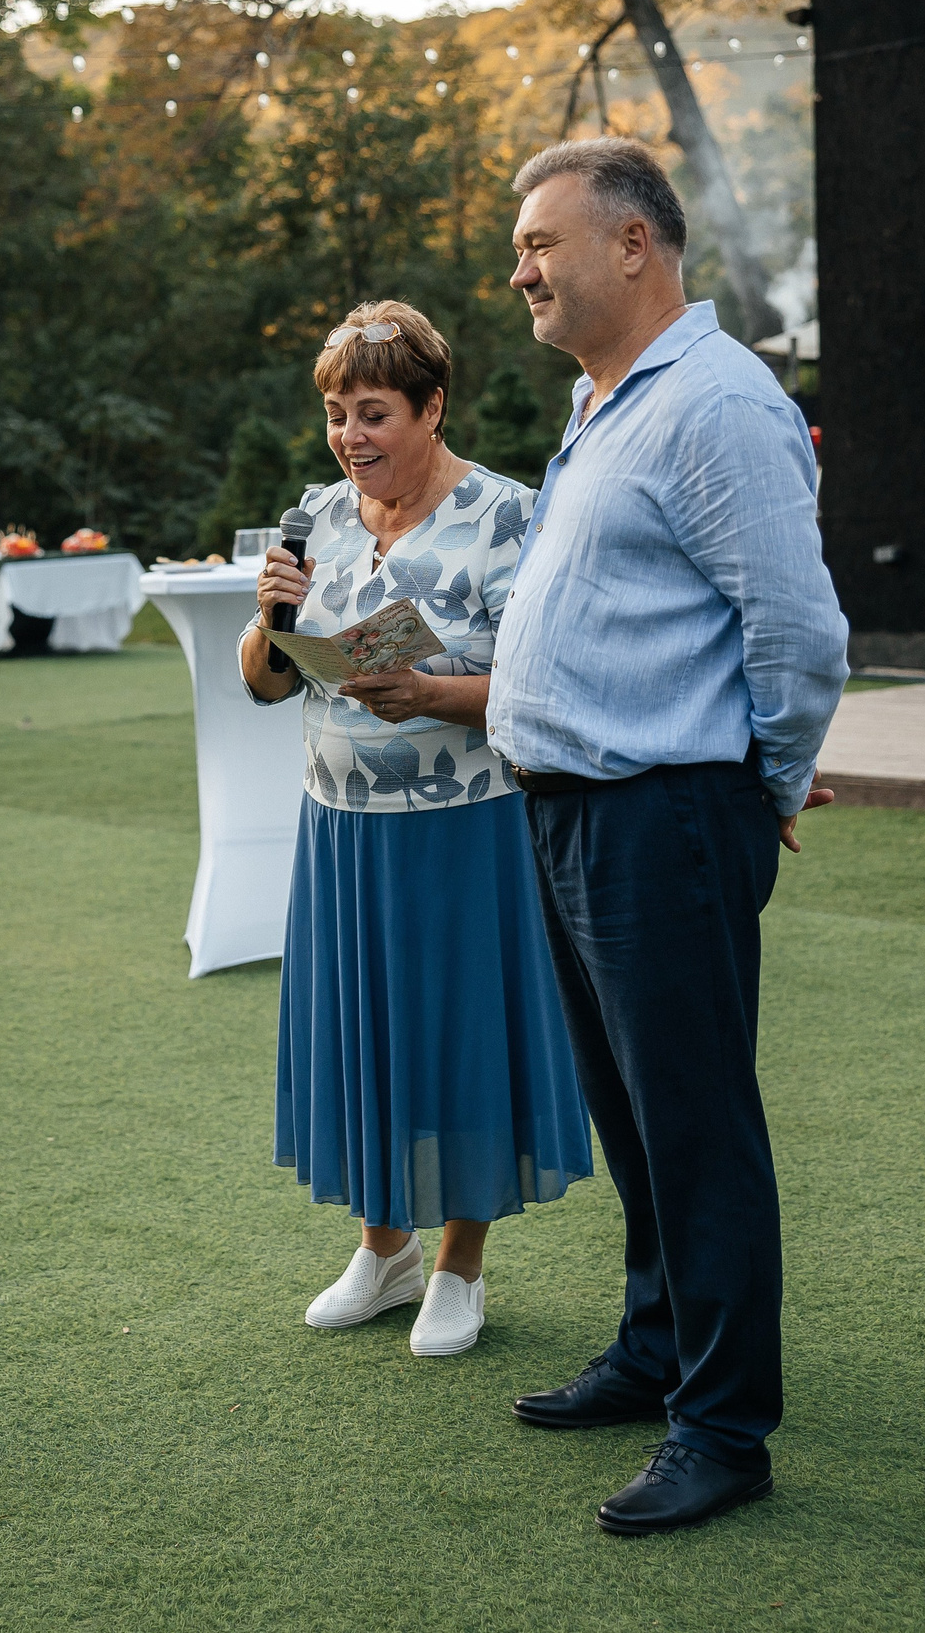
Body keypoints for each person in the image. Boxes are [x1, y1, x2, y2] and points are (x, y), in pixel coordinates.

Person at [487, 138, 848, 1535]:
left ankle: (724, 1427)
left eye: (540, 244)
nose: (520, 271)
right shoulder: (603, 401)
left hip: (663, 815)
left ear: (633, 242)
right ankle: (655, 1350)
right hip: (576, 811)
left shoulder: (719, 401)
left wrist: (768, 784)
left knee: (695, 1128)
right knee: (634, 1118)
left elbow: (798, 631)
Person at [240, 301, 590, 1359]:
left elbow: (543, 686)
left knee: (457, 1038)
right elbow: (264, 684)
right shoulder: (318, 515)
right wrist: (270, 619)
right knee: (366, 1039)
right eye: (337, 414)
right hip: (341, 833)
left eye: (374, 413)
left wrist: (429, 696)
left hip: (464, 833)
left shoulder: (506, 516)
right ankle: (383, 1249)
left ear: (432, 408)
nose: (350, 436)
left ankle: (458, 1266)